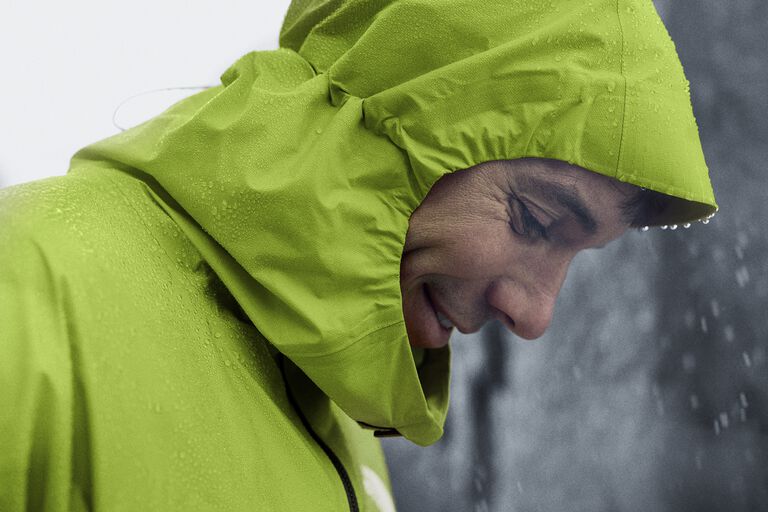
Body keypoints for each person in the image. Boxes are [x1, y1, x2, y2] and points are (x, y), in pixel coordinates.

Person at [0, 0, 717, 510]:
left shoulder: (337, 415)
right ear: (384, 125)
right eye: (533, 219)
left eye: (579, 255)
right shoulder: (26, 290)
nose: (535, 313)